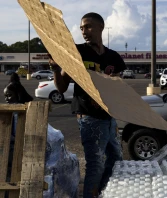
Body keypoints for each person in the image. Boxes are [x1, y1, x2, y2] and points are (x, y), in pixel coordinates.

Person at [49, 12, 126, 198]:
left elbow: (118, 87)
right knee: (96, 164)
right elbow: (61, 87)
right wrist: (55, 69)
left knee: (116, 159)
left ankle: (104, 192)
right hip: (89, 118)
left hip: (109, 118)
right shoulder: (77, 53)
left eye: (89, 26)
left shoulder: (113, 58)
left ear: (101, 27)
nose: (84, 31)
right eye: (82, 28)